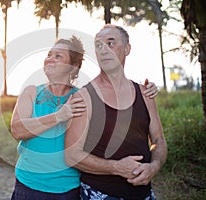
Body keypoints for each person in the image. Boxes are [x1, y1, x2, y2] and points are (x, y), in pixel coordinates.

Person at [10, 35, 159, 200]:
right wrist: (59, 116)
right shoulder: (31, 92)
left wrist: (146, 90)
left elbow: (115, 96)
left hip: (68, 189)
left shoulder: (84, 97)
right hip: (28, 185)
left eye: (58, 56)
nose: (49, 59)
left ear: (73, 68)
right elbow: (17, 130)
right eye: (49, 55)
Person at [65, 24, 167, 200]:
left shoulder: (145, 94)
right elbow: (71, 155)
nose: (103, 50)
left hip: (144, 194)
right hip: (99, 193)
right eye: (98, 45)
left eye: (110, 43)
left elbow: (158, 139)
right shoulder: (85, 97)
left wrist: (154, 166)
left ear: (127, 49)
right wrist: (116, 167)